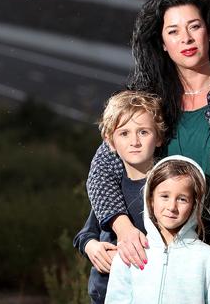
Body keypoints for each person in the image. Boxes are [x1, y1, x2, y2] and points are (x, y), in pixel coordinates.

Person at [85, 0, 210, 270]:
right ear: (162, 43)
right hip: (152, 259)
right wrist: (124, 231)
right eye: (173, 31)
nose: (186, 39)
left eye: (194, 27)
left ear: (209, 32)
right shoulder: (147, 101)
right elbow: (102, 171)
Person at [73, 90, 166, 304]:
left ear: (159, 137)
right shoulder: (112, 188)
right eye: (124, 133)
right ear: (110, 142)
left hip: (149, 293)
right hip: (106, 293)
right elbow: (85, 234)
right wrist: (92, 247)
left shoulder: (166, 188)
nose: (134, 141)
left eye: (143, 132)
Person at [105, 155, 210, 304]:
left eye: (182, 199)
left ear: (195, 204)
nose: (172, 207)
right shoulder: (130, 254)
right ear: (150, 200)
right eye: (164, 196)